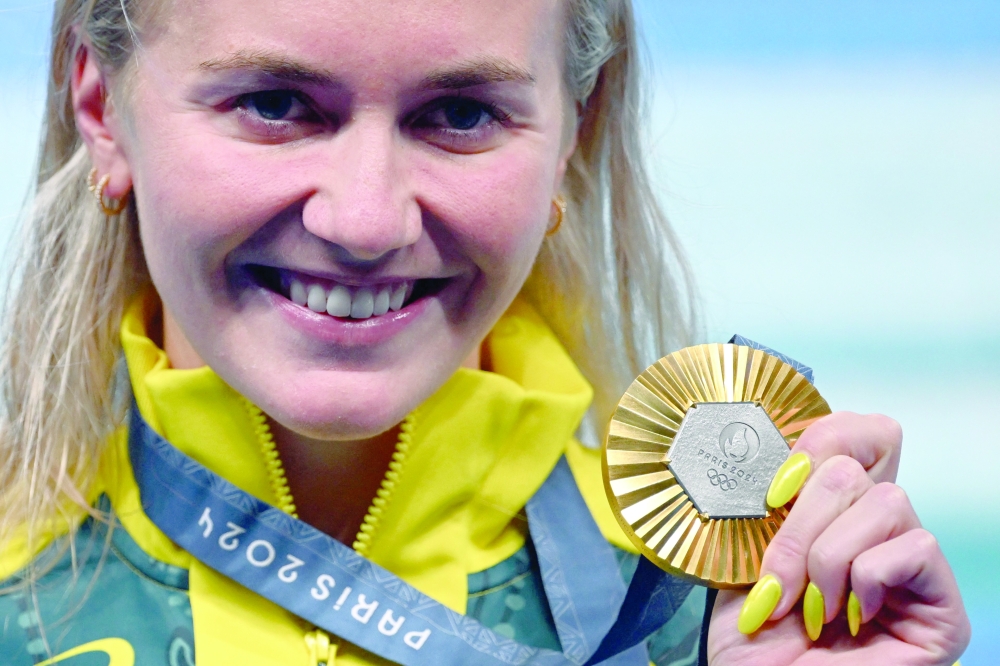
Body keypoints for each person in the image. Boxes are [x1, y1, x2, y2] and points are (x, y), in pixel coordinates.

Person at [0, 0, 971, 664]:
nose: (366, 219)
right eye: (275, 105)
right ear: (101, 108)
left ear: (573, 134)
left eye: (459, 114)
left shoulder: (696, 612)